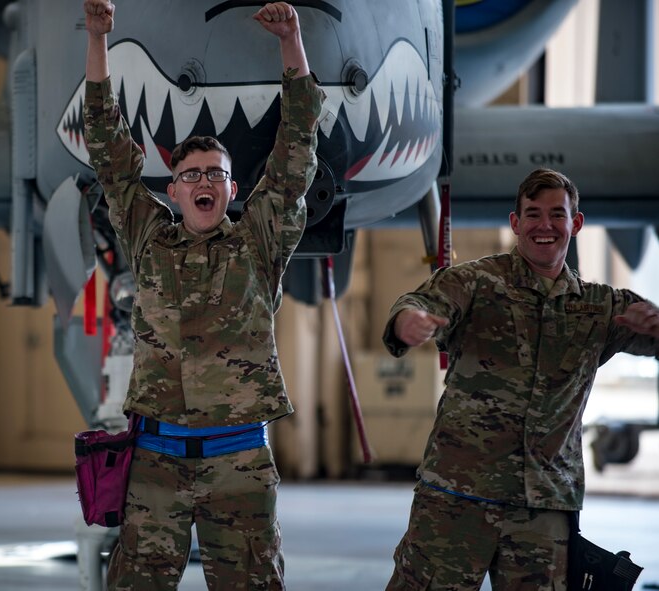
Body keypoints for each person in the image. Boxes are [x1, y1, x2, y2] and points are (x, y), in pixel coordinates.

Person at [82, 1, 324, 588]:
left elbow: (295, 150)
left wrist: (291, 42)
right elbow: (110, 154)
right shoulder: (148, 237)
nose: (204, 182)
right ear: (173, 190)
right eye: (191, 174)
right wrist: (97, 41)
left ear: (232, 189)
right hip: (156, 464)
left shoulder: (258, 241)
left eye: (216, 173)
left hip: (239, 463)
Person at [382, 168, 659, 590]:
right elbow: (418, 302)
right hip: (458, 498)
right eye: (533, 214)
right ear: (515, 223)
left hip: (544, 507)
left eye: (557, 214)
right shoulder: (475, 282)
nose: (545, 225)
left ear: (575, 223)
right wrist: (409, 322)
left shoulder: (601, 306)